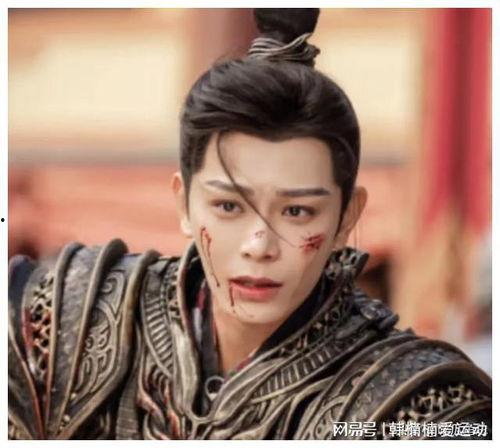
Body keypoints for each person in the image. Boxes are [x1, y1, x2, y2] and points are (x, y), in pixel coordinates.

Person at [8, 9, 491, 440]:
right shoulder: (71, 318)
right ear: (184, 202)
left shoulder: (420, 407)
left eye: (297, 211)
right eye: (228, 207)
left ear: (348, 216)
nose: (259, 245)